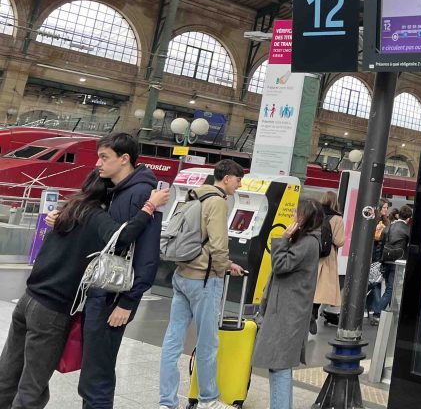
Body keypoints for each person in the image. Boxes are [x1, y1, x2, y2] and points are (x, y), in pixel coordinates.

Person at [0, 171, 168, 409]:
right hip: (51, 310)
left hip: (27, 300)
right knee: (32, 387)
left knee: (7, 374)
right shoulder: (96, 217)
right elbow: (124, 237)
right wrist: (150, 206)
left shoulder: (69, 209)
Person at [79, 133, 163, 409]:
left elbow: (148, 254)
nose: (98, 164)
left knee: (98, 373)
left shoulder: (140, 193)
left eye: (105, 157)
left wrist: (128, 302)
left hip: (114, 297)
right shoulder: (114, 191)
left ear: (124, 159)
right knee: (92, 370)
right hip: (101, 290)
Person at [158, 160, 246, 409]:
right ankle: (209, 400)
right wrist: (220, 270)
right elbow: (218, 244)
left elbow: (197, 240)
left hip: (181, 275)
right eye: (238, 181)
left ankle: (167, 402)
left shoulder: (194, 197)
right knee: (207, 342)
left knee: (173, 340)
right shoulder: (218, 202)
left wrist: (227, 264)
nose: (238, 186)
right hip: (204, 281)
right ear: (227, 178)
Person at [252, 199, 323, 409]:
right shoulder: (304, 240)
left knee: (279, 364)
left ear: (305, 218)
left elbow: (281, 265)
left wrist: (282, 239)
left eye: (296, 212)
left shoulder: (308, 243)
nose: (292, 215)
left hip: (288, 313)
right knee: (280, 364)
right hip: (286, 309)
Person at [310, 191, 345, 333]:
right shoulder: (337, 218)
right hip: (327, 255)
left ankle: (308, 313)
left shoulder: (315, 213)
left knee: (311, 284)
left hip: (312, 251)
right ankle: (313, 314)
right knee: (322, 288)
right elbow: (339, 241)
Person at [374, 205, 412, 324]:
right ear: (408, 218)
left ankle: (394, 313)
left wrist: (381, 260)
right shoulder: (407, 229)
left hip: (386, 260)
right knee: (391, 289)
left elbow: (381, 243)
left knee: (392, 287)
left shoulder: (389, 227)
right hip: (398, 262)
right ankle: (377, 312)